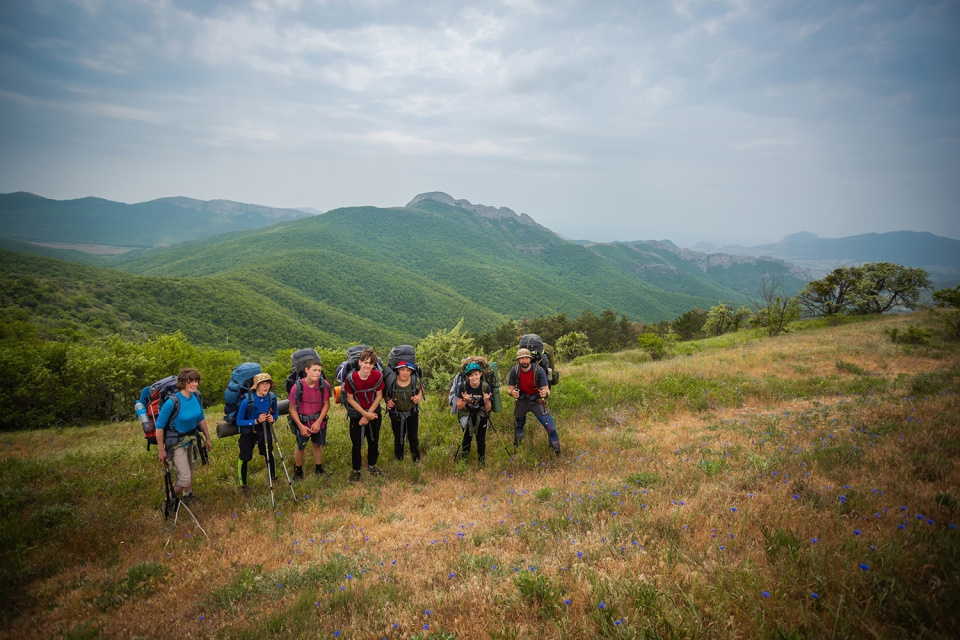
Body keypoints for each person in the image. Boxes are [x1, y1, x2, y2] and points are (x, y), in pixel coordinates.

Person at [156, 368, 212, 502]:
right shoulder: (172, 402)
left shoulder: (196, 396)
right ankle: (169, 500)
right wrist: (161, 450)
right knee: (185, 477)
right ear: (182, 383)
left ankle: (188, 495)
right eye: (190, 381)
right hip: (177, 443)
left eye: (196, 381)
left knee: (191, 469)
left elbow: (201, 418)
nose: (194, 384)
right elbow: (159, 427)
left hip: (193, 439)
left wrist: (207, 438)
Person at [507, 348, 560, 454]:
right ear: (518, 360)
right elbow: (509, 389)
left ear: (530, 359)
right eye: (521, 359)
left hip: (537, 400)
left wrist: (544, 393)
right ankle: (517, 449)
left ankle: (557, 452)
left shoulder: (538, 370)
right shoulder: (515, 370)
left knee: (551, 428)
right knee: (519, 425)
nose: (524, 361)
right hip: (522, 400)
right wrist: (513, 393)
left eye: (526, 358)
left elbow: (546, 389)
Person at [287, 359, 332, 480]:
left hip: (319, 422)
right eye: (314, 370)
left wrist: (318, 422)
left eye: (319, 370)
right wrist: (301, 426)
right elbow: (292, 409)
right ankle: (298, 470)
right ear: (306, 370)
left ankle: (319, 468)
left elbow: (326, 404)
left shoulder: (324, 385)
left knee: (317, 445)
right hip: (302, 422)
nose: (317, 373)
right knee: (300, 446)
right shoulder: (297, 387)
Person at [235, 372, 279, 493]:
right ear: (256, 386)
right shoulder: (247, 401)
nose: (266, 386)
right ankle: (243, 484)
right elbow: (239, 421)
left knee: (268, 452)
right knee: (245, 457)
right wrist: (255, 421)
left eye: (268, 383)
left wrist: (273, 418)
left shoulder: (272, 397)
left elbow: (275, 413)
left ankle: (273, 477)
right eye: (262, 384)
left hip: (264, 428)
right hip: (249, 431)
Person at [344, 349, 384, 481]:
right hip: (357, 415)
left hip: (373, 414)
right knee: (356, 444)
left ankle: (372, 466)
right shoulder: (351, 378)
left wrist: (368, 415)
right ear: (360, 362)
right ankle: (357, 469)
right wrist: (365, 414)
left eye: (371, 363)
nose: (368, 366)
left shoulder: (378, 376)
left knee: (374, 441)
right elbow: (350, 399)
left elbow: (379, 396)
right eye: (365, 362)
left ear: (374, 364)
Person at [385, 361, 424, 462]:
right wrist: (388, 401)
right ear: (398, 370)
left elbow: (422, 387)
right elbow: (385, 392)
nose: (405, 373)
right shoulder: (392, 380)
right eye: (402, 370)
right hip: (396, 413)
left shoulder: (414, 380)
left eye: (408, 370)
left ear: (411, 371)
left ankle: (416, 459)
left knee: (413, 438)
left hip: (412, 413)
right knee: (398, 438)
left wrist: (418, 397)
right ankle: (399, 459)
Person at [455, 361, 492, 463]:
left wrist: (486, 400)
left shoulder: (485, 387)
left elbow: (488, 409)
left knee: (481, 439)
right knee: (467, 438)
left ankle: (482, 461)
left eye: (476, 374)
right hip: (466, 415)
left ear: (480, 374)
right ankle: (465, 461)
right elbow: (459, 405)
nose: (474, 377)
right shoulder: (463, 387)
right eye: (471, 375)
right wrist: (465, 400)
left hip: (481, 415)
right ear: (467, 377)